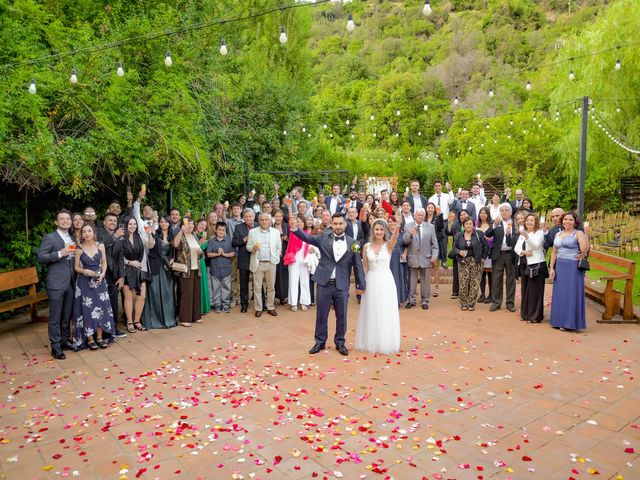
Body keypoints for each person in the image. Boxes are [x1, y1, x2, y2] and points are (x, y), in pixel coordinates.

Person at [290, 213, 366, 356]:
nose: (338, 226)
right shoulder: (324, 237)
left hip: (342, 285)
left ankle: (340, 342)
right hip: (324, 283)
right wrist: (296, 229)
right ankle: (320, 342)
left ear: (345, 225)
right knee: (321, 315)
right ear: (331, 224)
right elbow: (308, 238)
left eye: (340, 224)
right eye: (335, 224)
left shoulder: (354, 243)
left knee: (342, 315)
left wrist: (360, 285)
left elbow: (357, 265)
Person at [354, 218, 401, 354]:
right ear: (373, 231)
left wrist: (398, 224)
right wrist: (361, 283)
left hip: (386, 281)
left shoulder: (388, 245)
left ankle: (385, 341)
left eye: (381, 229)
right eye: (377, 229)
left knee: (384, 309)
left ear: (384, 231)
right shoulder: (366, 247)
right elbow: (364, 266)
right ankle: (371, 341)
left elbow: (395, 236)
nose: (379, 232)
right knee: (371, 309)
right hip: (371, 280)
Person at [37, 209, 77, 359]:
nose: (66, 221)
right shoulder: (50, 237)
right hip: (55, 283)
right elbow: (41, 257)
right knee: (55, 317)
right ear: (56, 222)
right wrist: (61, 253)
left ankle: (65, 341)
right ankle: (55, 347)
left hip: (70, 282)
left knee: (66, 316)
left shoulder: (71, 237)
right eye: (62, 219)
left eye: (68, 218)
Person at [72, 223, 115, 350]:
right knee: (87, 310)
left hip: (99, 282)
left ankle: (100, 337)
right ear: (82, 234)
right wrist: (85, 271)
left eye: (89, 231)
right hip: (84, 283)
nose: (86, 233)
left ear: (93, 232)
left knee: (101, 309)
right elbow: (76, 267)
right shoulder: (79, 249)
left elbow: (104, 262)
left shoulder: (100, 245)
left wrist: (103, 274)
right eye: (84, 231)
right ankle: (90, 338)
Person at [549, 212, 589, 331]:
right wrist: (552, 267)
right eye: (565, 219)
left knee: (571, 294)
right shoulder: (558, 234)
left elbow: (584, 250)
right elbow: (554, 252)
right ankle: (558, 320)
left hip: (573, 267)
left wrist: (587, 235)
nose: (567, 221)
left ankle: (569, 322)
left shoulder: (578, 233)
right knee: (560, 293)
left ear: (575, 222)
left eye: (570, 220)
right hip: (560, 266)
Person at [141, 216, 178, 329]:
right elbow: (151, 241)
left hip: (167, 267)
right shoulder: (155, 233)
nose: (163, 224)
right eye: (161, 222)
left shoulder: (173, 236)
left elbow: (175, 249)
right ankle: (154, 320)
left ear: (169, 223)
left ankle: (168, 318)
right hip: (156, 266)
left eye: (166, 222)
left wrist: (171, 260)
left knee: (167, 293)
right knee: (155, 292)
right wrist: (154, 223)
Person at [120, 217, 154, 332]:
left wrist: (149, 234)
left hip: (140, 270)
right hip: (126, 270)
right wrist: (129, 262)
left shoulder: (140, 236)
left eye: (134, 224)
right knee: (128, 297)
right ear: (126, 225)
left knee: (141, 296)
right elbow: (118, 257)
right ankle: (129, 322)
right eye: (130, 224)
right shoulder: (121, 238)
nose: (133, 226)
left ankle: (137, 321)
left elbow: (150, 245)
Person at [96, 213, 128, 337]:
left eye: (114, 221)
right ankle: (101, 331)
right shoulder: (99, 233)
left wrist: (122, 276)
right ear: (104, 222)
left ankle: (113, 329)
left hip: (114, 274)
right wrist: (114, 236)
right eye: (110, 220)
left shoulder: (120, 235)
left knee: (114, 303)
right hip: (102, 273)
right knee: (102, 303)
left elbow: (120, 257)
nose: (113, 222)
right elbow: (102, 249)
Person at [247, 212, 282, 317]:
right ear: (259, 221)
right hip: (258, 263)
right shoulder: (253, 232)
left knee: (271, 287)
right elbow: (248, 246)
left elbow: (278, 247)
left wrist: (276, 258)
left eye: (266, 219)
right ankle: (258, 308)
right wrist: (253, 248)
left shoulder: (275, 232)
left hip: (271, 263)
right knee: (257, 288)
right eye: (262, 220)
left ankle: (270, 307)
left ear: (270, 221)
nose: (264, 221)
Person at [403, 208, 439, 310]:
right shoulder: (408, 226)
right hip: (413, 258)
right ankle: (411, 300)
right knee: (412, 281)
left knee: (426, 281)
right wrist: (411, 234)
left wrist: (434, 256)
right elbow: (405, 241)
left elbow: (434, 244)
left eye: (422, 215)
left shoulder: (430, 227)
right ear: (414, 216)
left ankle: (425, 301)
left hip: (426, 258)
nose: (421, 216)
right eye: (419, 215)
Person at [515, 213, 547, 323]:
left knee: (535, 292)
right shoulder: (522, 233)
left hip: (537, 264)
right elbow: (516, 248)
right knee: (526, 291)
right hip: (526, 264)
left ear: (536, 222)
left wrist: (527, 236)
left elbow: (536, 245)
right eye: (527, 220)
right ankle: (526, 314)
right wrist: (523, 252)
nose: (529, 222)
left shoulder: (539, 232)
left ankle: (535, 316)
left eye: (531, 220)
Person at [453, 217, 489, 311]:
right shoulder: (458, 235)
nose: (468, 225)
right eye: (466, 224)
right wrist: (459, 252)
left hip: (476, 261)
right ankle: (463, 302)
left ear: (473, 225)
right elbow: (454, 248)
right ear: (463, 225)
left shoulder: (479, 234)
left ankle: (471, 303)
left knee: (474, 283)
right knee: (463, 283)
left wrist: (483, 258)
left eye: (470, 223)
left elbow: (486, 246)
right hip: (463, 262)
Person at [173, 217, 203, 326]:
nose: (190, 225)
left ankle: (195, 316)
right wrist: (181, 230)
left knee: (195, 293)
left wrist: (200, 252)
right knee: (186, 294)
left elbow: (199, 251)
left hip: (196, 268)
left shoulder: (194, 235)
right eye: (188, 224)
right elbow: (175, 245)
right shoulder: (181, 236)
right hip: (185, 270)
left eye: (192, 223)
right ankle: (184, 318)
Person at [486, 204, 517, 312]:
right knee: (496, 279)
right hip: (498, 254)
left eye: (506, 210)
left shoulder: (515, 223)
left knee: (510, 280)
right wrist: (494, 224)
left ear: (510, 212)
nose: (504, 212)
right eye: (502, 210)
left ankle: (510, 303)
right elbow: (487, 233)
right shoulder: (496, 223)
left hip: (510, 254)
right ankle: (496, 302)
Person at [284, 216, 313, 312]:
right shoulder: (293, 232)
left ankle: (304, 302)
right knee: (293, 280)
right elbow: (291, 223)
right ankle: (293, 303)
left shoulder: (308, 234)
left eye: (301, 222)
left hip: (305, 259)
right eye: (298, 221)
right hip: (294, 259)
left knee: (305, 281)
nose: (300, 223)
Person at [206, 221, 235, 313]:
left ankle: (225, 305)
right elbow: (208, 254)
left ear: (225, 231)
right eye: (219, 230)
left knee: (226, 288)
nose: (221, 232)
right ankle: (217, 305)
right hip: (214, 269)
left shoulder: (229, 241)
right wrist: (217, 254)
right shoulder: (211, 241)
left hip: (226, 269)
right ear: (216, 230)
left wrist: (224, 254)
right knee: (216, 288)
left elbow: (233, 253)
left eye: (223, 230)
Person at [232, 208, 256, 313]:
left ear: (253, 217)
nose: (248, 218)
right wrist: (244, 240)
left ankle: (262, 304)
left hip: (257, 258)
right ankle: (244, 305)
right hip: (244, 258)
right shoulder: (238, 227)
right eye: (246, 217)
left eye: (250, 216)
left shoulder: (259, 225)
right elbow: (234, 242)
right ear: (243, 217)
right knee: (243, 283)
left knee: (258, 282)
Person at [387, 216, 408, 306]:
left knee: (401, 278)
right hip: (390, 259)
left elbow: (407, 245)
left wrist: (405, 254)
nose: (392, 223)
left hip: (400, 260)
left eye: (394, 222)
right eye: (390, 222)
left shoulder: (402, 233)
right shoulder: (385, 234)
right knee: (392, 278)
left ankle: (400, 299)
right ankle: (391, 300)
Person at [425, 202, 444, 297]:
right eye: (428, 208)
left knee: (436, 267)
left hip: (435, 244)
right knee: (426, 267)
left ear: (434, 209)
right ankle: (426, 288)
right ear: (426, 208)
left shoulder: (438, 218)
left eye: (432, 208)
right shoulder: (423, 218)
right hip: (424, 245)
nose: (430, 209)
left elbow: (441, 227)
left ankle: (436, 287)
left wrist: (440, 215)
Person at [476, 207, 494, 304]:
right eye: (481, 213)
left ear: (488, 214)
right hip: (480, 252)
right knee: (481, 274)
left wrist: (489, 239)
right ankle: (482, 294)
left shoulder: (491, 225)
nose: (482, 215)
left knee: (490, 274)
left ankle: (491, 294)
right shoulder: (476, 225)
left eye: (484, 213)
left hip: (490, 252)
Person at [194, 218, 211, 315]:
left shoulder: (203, 237)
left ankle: (203, 308)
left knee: (202, 284)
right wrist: (199, 243)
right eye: (201, 224)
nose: (203, 227)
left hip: (201, 262)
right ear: (197, 224)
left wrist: (203, 242)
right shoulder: (191, 235)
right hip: (192, 262)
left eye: (205, 226)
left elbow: (203, 251)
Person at [273, 209, 289, 305]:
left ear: (282, 217)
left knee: (284, 275)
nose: (278, 218)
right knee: (275, 275)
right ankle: (275, 296)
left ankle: (283, 297)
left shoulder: (286, 226)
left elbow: (291, 239)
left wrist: (286, 238)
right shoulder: (271, 226)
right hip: (274, 254)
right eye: (276, 216)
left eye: (280, 216)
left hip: (285, 254)